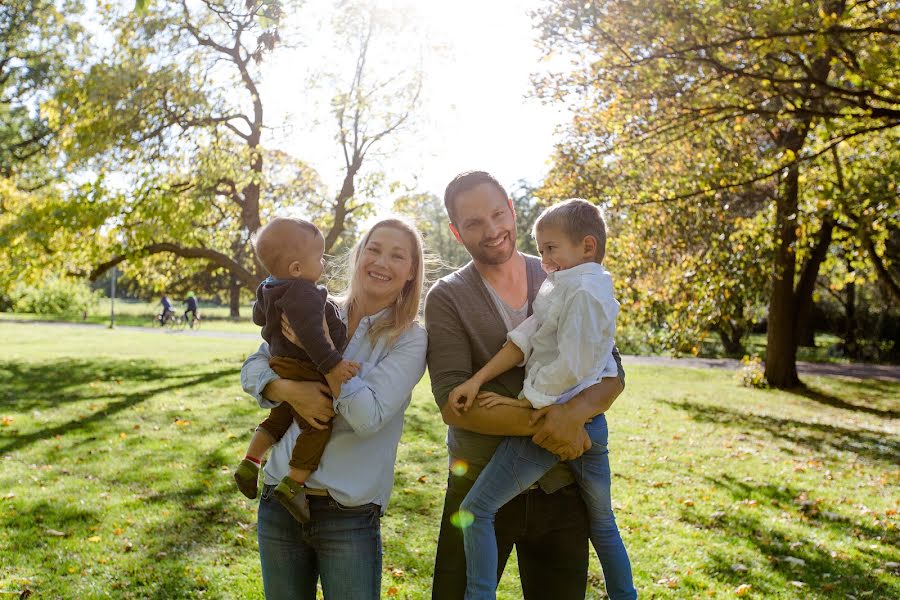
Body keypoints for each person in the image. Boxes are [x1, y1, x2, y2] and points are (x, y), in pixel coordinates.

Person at [425, 171, 626, 599]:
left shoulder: (564, 272)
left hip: (560, 486)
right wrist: (558, 421)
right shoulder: (447, 296)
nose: (493, 229)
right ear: (456, 232)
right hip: (479, 479)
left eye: (498, 213)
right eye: (474, 222)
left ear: (513, 211)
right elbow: (453, 403)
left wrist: (572, 414)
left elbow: (612, 371)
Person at [240, 218, 427, 600]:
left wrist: (325, 364)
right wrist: (288, 389)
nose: (382, 262)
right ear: (358, 255)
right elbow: (253, 367)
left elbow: (368, 417)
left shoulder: (410, 338)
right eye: (374, 249)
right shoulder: (314, 303)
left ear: (410, 272)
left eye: (397, 256)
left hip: (348, 516)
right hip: (279, 501)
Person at [234, 217, 361, 523]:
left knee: (280, 415)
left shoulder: (270, 287)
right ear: (296, 269)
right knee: (317, 425)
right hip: (303, 366)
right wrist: (333, 364)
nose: (323, 265)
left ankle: (251, 461)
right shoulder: (304, 293)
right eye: (318, 259)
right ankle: (293, 484)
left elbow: (258, 317)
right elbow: (313, 336)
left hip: (280, 362)